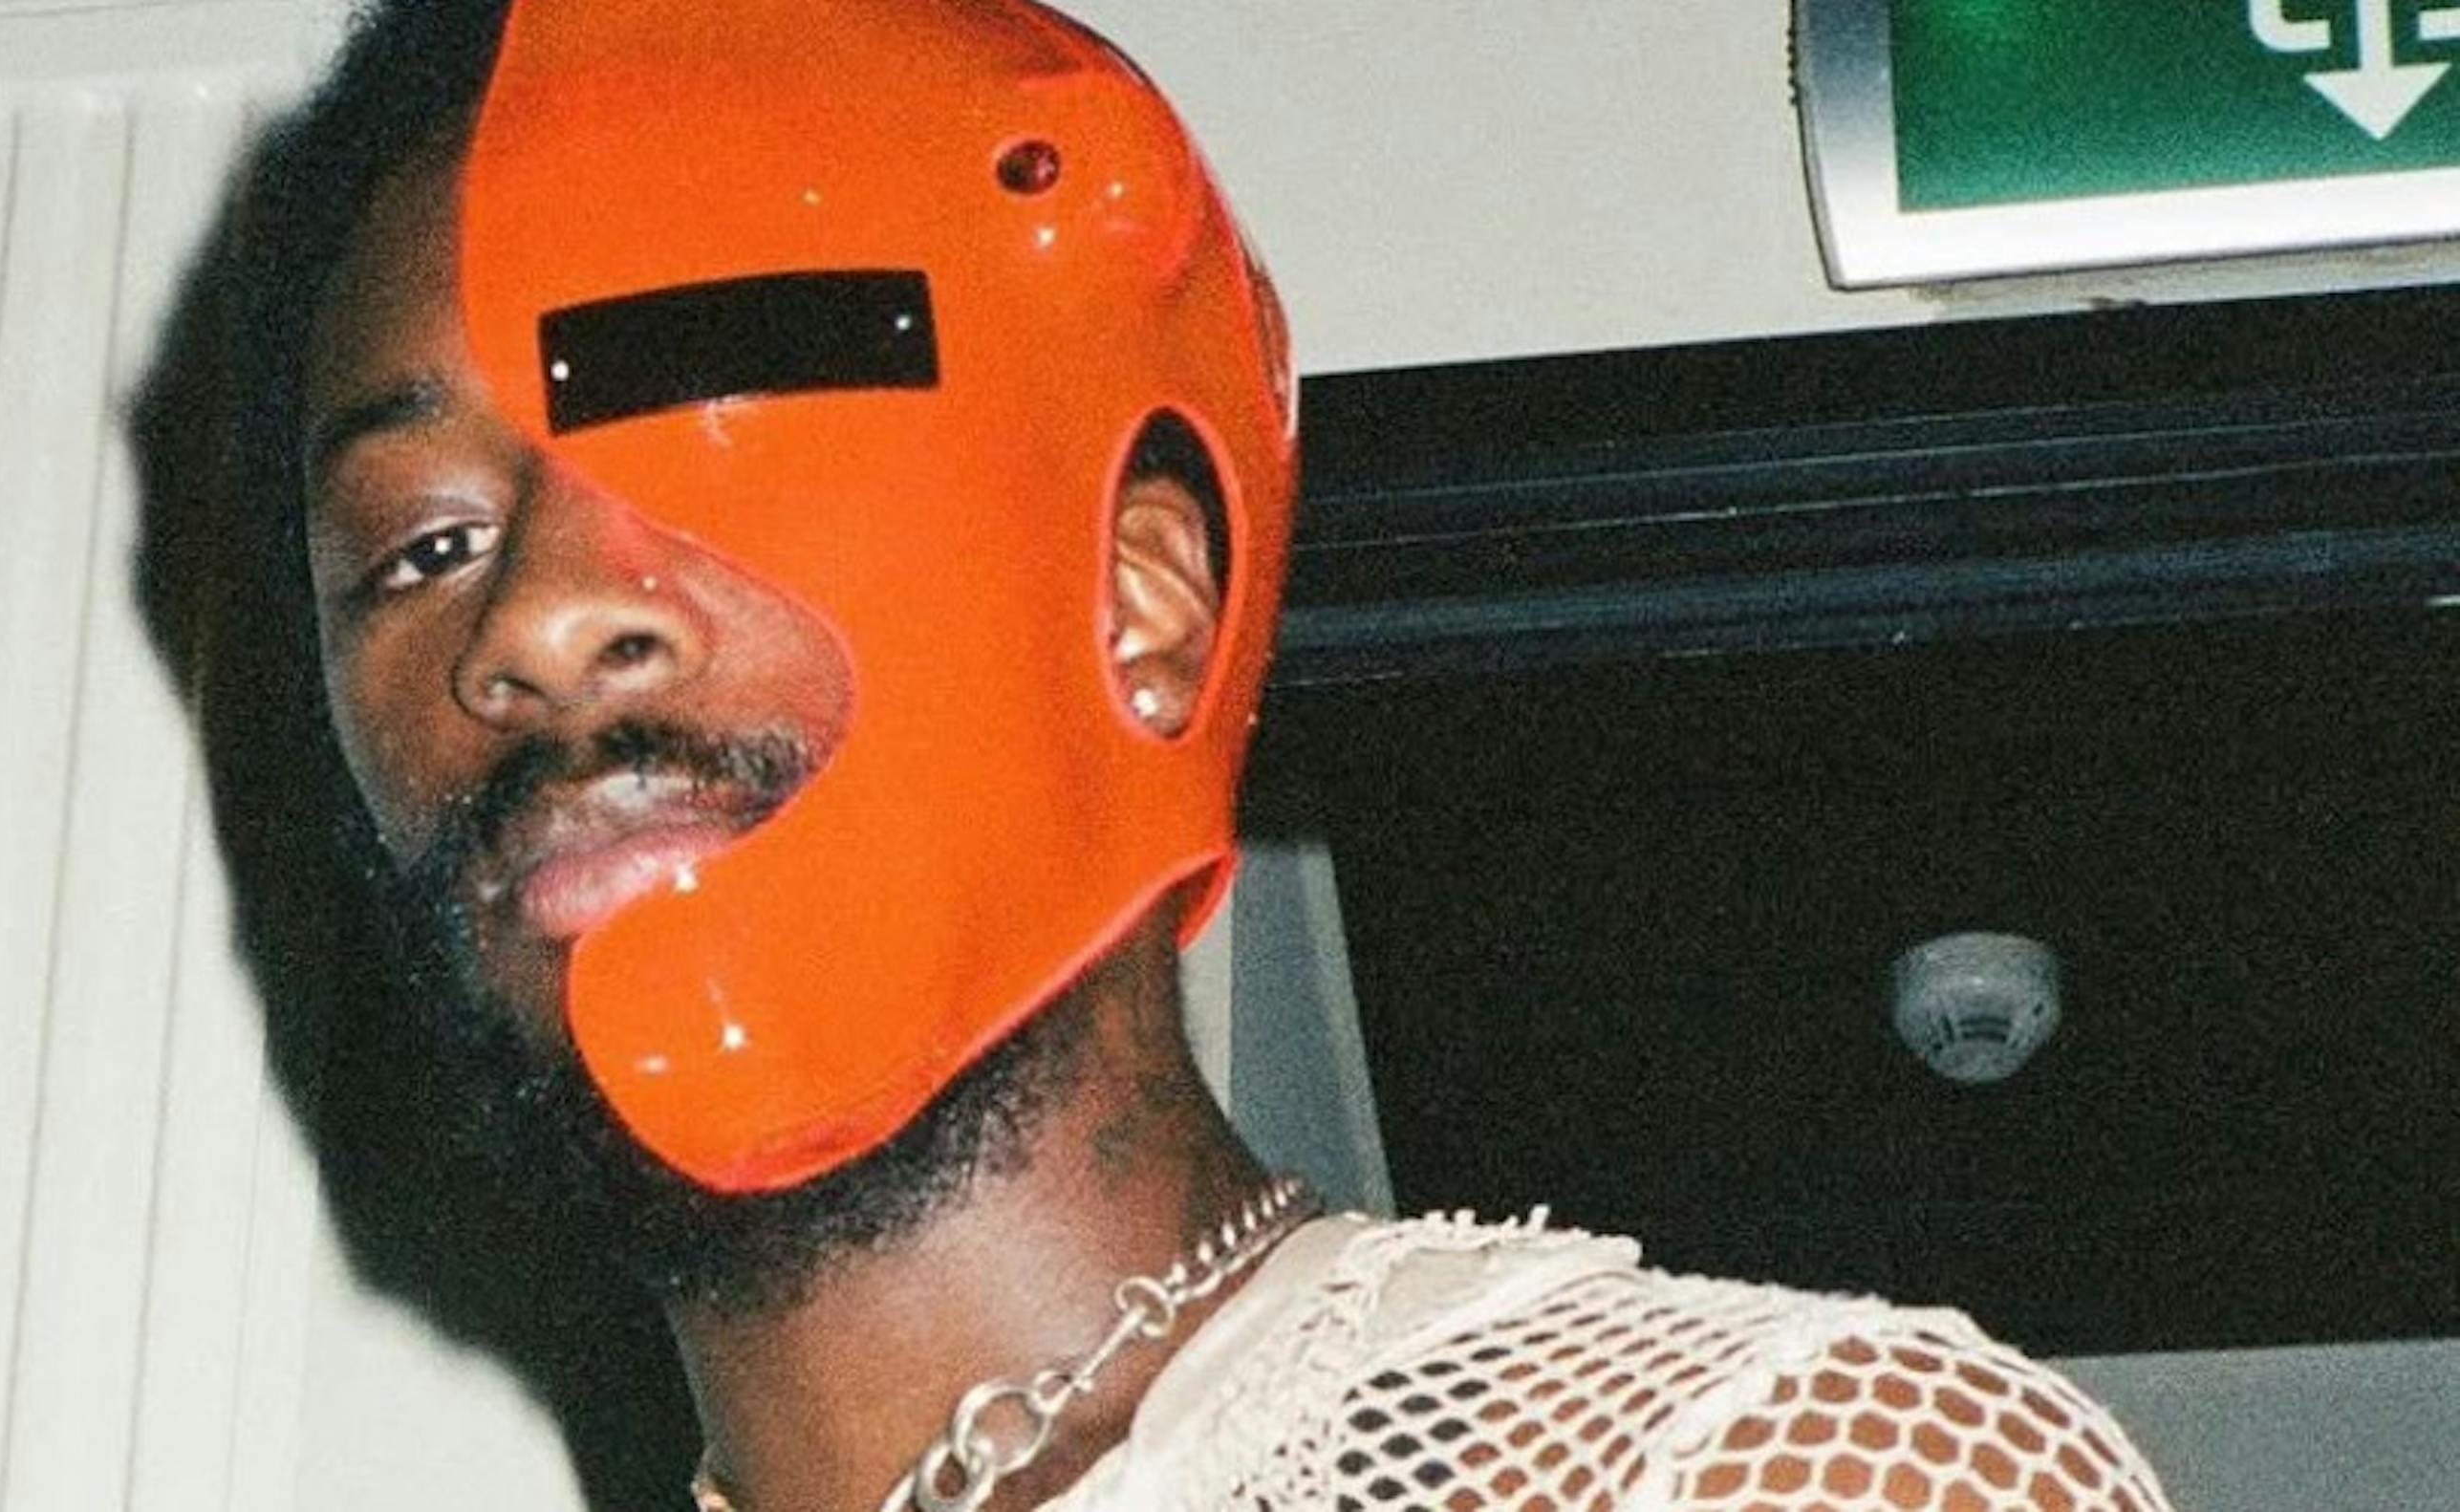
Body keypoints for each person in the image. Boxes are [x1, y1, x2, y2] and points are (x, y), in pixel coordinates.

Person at [145, 1, 2184, 1507]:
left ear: (1143, 598)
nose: (527, 619)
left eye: (713, 431)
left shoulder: (1780, 1474)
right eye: (416, 545)